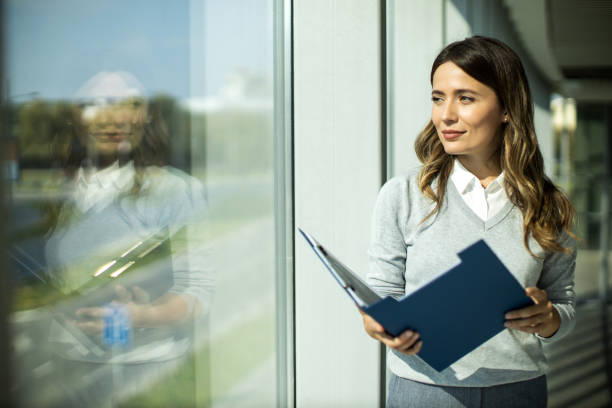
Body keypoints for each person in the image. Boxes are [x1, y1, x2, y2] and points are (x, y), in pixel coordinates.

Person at [362, 36, 576, 407]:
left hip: (518, 391)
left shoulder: (549, 206)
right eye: (437, 97)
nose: (445, 114)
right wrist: (380, 323)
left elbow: (565, 306)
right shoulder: (402, 195)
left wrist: (549, 317)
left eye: (465, 98)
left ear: (506, 107)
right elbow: (381, 295)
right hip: (424, 391)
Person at [39, 71, 213, 406]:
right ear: (75, 117)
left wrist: (142, 315)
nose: (114, 117)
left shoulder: (175, 190)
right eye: (97, 103)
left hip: (144, 374)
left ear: (144, 116)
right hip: (68, 371)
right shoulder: (59, 191)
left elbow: (200, 291)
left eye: (129, 103)